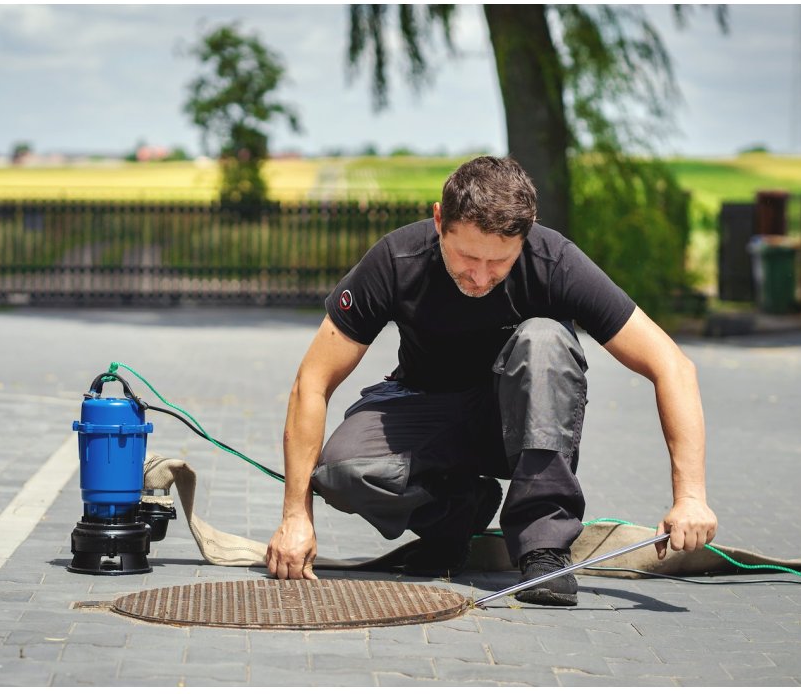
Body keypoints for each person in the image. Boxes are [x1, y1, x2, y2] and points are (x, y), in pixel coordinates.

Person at [265, 155, 717, 606]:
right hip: (428, 407)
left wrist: (691, 497)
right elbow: (313, 381)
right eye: (466, 256)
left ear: (527, 233)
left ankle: (543, 547)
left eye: (499, 261)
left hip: (524, 421)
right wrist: (296, 517)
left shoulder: (555, 260)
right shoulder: (396, 259)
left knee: (544, 338)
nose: (480, 277)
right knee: (341, 472)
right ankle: (457, 515)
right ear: (439, 220)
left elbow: (672, 366)